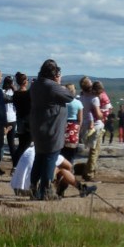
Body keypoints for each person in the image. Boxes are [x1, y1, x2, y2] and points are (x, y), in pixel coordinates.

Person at [29, 58, 73, 200]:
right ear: (54, 73)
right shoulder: (51, 86)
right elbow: (70, 96)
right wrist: (58, 83)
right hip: (51, 128)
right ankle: (45, 192)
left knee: (39, 157)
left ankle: (33, 189)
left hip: (38, 126)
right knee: (50, 158)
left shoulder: (35, 85)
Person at [79, 77, 104, 182]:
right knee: (94, 151)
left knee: (92, 150)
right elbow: (98, 115)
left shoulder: (80, 97)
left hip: (85, 124)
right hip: (96, 126)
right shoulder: (94, 98)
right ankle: (89, 173)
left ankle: (88, 171)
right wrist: (103, 114)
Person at [11, 71, 31, 167]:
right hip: (28, 121)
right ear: (24, 81)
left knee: (21, 145)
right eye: (27, 79)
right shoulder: (28, 94)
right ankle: (17, 165)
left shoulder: (15, 94)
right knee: (25, 145)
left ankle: (16, 165)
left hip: (19, 120)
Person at [61, 83, 83, 165]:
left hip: (63, 125)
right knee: (71, 154)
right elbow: (80, 120)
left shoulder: (62, 103)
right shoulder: (78, 103)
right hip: (74, 127)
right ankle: (69, 171)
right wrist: (78, 131)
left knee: (62, 154)